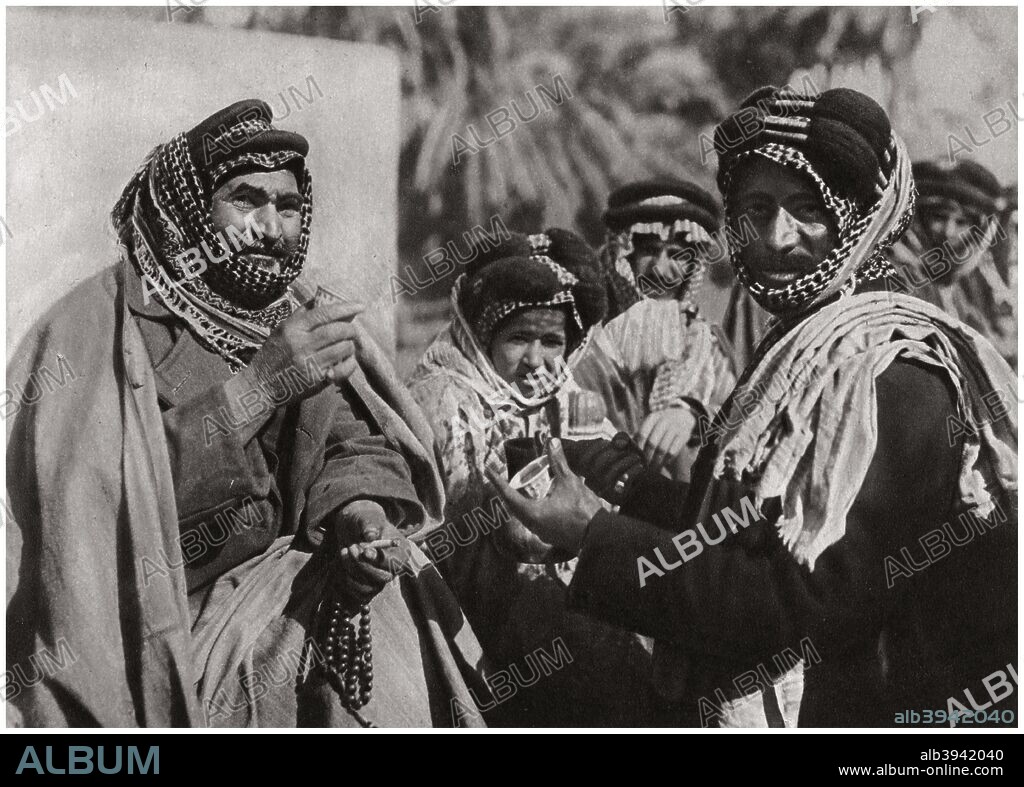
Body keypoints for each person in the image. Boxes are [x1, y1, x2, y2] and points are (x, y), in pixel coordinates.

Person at [488, 87, 1017, 728]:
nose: (776, 237)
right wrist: (614, 481)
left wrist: (593, 538)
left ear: (865, 218)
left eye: (808, 210)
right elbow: (741, 525)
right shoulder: (809, 340)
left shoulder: (889, 372)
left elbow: (798, 603)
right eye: (758, 209)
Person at [6, 99, 488, 728]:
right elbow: (96, 525)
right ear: (190, 208)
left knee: (400, 595)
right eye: (245, 199)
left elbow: (352, 442)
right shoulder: (94, 329)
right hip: (158, 634)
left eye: (288, 206)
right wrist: (260, 387)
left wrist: (359, 519)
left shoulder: (294, 312)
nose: (270, 226)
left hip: (275, 592)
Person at [407, 229, 654, 726]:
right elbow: (468, 547)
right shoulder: (449, 400)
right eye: (519, 338)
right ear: (481, 336)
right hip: (476, 602)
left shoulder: (558, 389)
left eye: (552, 341)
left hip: (555, 589)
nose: (537, 361)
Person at [575, 181, 737, 481]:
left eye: (677, 254)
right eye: (649, 251)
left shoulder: (707, 345)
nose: (660, 271)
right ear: (625, 255)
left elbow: (738, 416)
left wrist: (691, 415)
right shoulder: (583, 335)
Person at [890, 159, 1016, 367]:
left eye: (962, 222)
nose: (948, 232)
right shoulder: (898, 275)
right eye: (939, 217)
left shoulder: (961, 284)